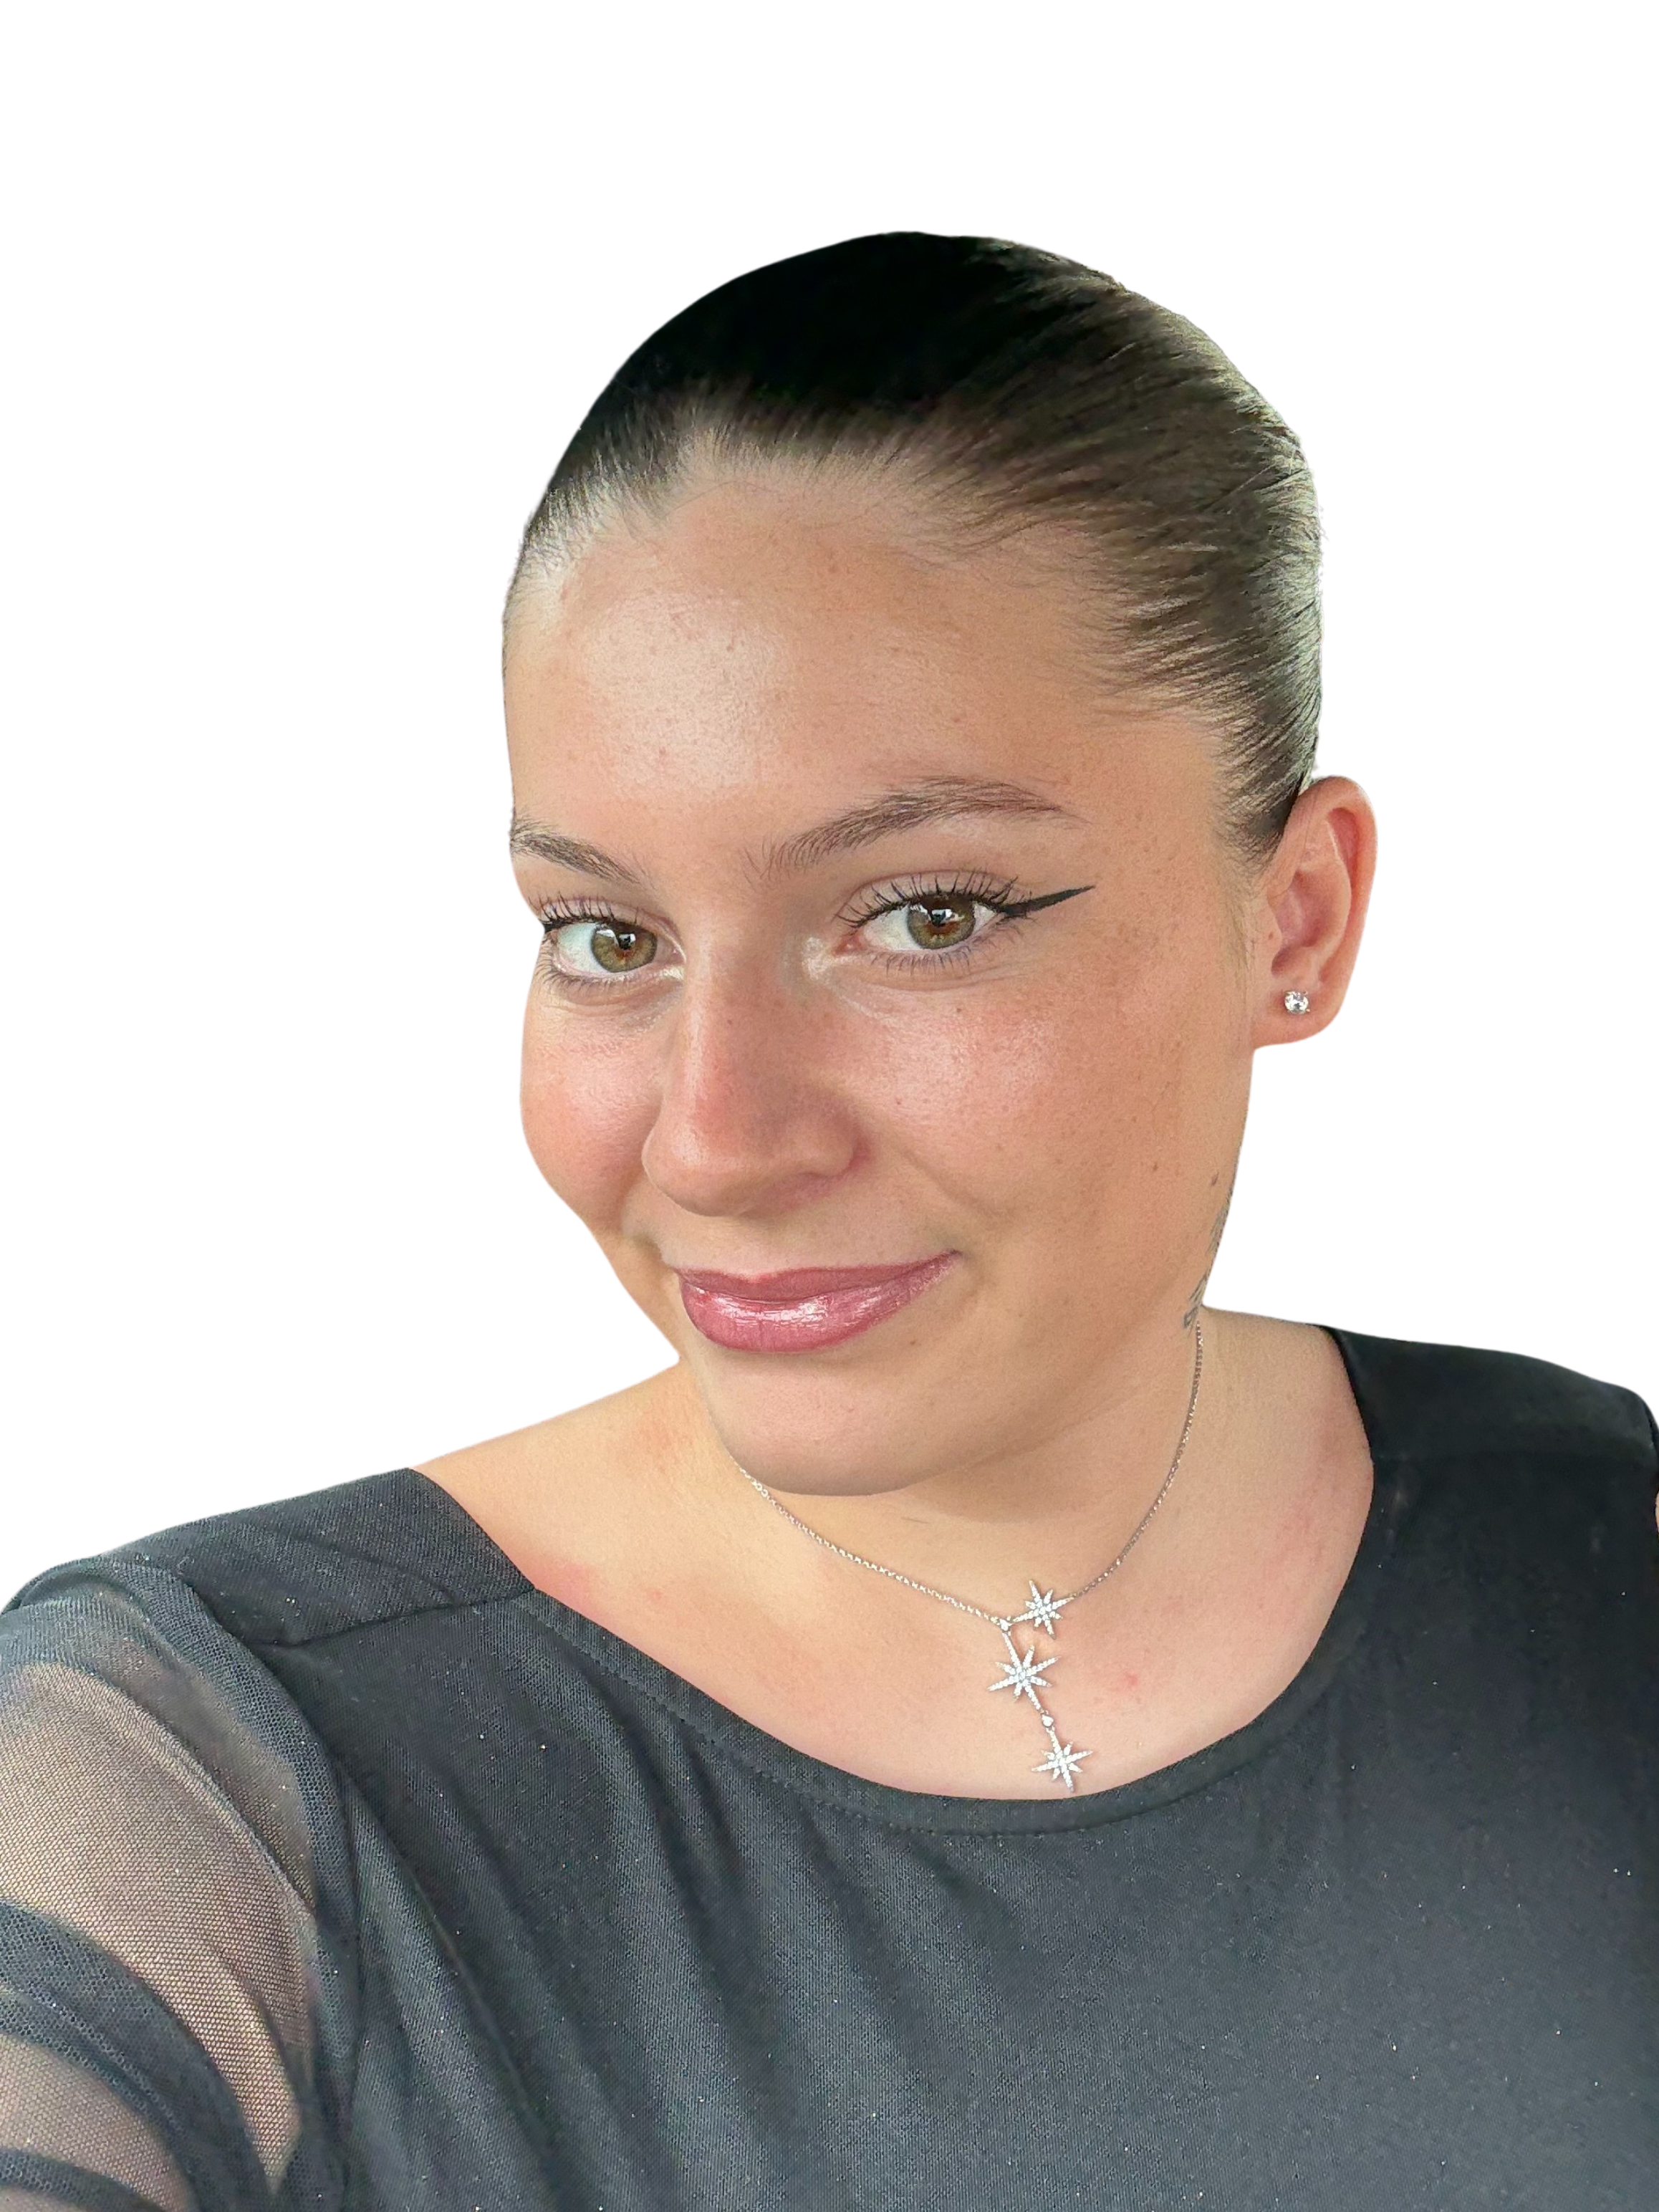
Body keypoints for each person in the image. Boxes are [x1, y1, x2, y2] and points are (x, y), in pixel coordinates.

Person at [1, 233, 1654, 2212]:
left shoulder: (1589, 1553)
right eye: (606, 937)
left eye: (925, 917)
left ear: (1294, 918)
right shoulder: (200, 1778)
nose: (714, 1138)